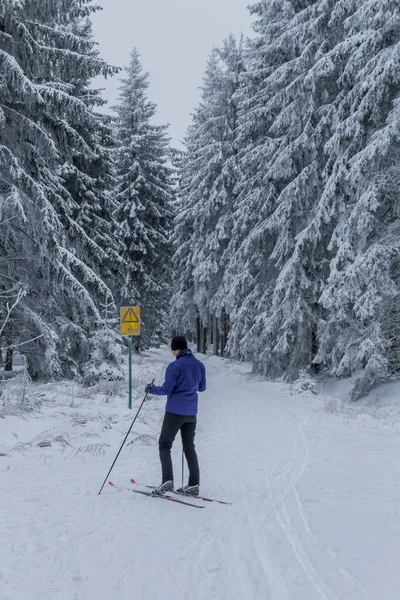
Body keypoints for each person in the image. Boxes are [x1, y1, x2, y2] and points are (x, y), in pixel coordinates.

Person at [145, 336, 206, 496]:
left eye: (173, 350)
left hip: (175, 412)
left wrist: (151, 389)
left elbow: (167, 389)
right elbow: (202, 387)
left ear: (177, 349)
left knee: (164, 445)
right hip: (191, 413)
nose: (172, 353)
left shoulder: (175, 366)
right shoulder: (200, 365)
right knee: (189, 448)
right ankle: (194, 484)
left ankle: (167, 481)